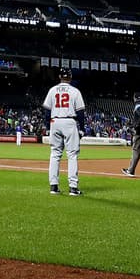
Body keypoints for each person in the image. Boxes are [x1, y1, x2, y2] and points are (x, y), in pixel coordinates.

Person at [42, 68, 85, 196]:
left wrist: (48, 127)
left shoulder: (52, 90)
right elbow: (80, 112)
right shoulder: (75, 91)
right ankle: (73, 187)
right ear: (70, 78)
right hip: (69, 122)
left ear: (59, 77)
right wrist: (81, 128)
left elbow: (47, 111)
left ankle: (53, 186)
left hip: (55, 121)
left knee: (55, 154)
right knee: (72, 155)